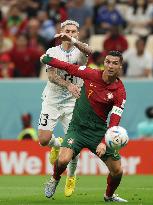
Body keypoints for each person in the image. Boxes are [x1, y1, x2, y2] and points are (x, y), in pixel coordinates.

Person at [40, 50, 128, 202]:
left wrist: (103, 142)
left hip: (98, 133)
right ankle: (54, 179)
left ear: (120, 66)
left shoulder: (120, 92)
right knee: (62, 160)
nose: (110, 66)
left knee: (117, 171)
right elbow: (69, 67)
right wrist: (48, 59)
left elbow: (115, 119)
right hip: (77, 129)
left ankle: (109, 196)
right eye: (108, 62)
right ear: (104, 63)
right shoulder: (91, 74)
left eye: (115, 63)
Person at [38, 20, 92, 197]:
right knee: (44, 140)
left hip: (73, 103)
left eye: (74, 31)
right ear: (61, 33)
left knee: (73, 145)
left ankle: (71, 176)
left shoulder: (80, 52)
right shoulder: (52, 52)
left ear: (77, 34)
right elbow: (52, 76)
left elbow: (91, 52)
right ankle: (55, 145)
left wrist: (74, 41)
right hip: (52, 100)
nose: (70, 33)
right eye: (67, 31)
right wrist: (68, 85)